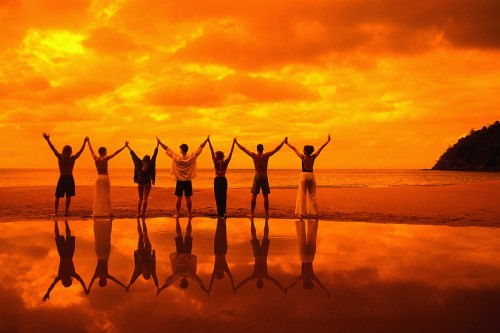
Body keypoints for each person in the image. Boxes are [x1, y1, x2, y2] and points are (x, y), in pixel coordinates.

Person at [157, 136, 209, 217]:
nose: (179, 150)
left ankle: (177, 213)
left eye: (180, 148)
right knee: (188, 198)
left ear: (182, 150)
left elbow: (167, 149)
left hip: (180, 181)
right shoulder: (191, 157)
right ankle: (189, 213)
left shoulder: (177, 157)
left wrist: (160, 143)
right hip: (188, 181)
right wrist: (206, 140)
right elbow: (199, 148)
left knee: (179, 198)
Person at [235, 137, 287, 217]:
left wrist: (236, 143)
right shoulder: (266, 156)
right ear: (263, 149)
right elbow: (276, 149)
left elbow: (244, 149)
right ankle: (266, 214)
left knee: (254, 195)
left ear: (257, 149)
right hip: (264, 176)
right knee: (265, 195)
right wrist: (283, 141)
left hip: (257, 176)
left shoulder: (254, 156)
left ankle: (252, 213)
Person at [157, 218, 208, 295]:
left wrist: (206, 291)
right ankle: (177, 220)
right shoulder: (178, 275)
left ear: (187, 281)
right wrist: (160, 289)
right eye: (180, 282)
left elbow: (199, 284)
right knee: (179, 235)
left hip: (187, 252)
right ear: (181, 282)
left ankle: (189, 220)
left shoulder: (191, 275)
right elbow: (168, 283)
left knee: (188, 235)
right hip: (180, 252)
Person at [235, 217, 286, 294]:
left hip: (264, 255)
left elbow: (275, 282)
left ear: (262, 282)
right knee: (254, 237)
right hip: (257, 255)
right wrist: (237, 287)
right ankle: (252, 221)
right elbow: (245, 281)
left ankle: (266, 221)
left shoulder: (265, 276)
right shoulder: (254, 276)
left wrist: (282, 289)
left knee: (265, 237)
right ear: (257, 282)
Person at [42, 133, 88, 216]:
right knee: (68, 196)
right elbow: (80, 151)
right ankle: (66, 212)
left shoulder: (60, 157)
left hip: (62, 177)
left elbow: (53, 148)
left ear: (63, 150)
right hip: (70, 177)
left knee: (57, 196)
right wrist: (84, 142)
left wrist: (48, 140)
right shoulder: (72, 158)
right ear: (70, 151)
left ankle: (56, 212)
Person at [286, 134, 331, 218]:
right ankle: (314, 213)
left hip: (304, 175)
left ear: (305, 151)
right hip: (311, 175)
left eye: (303, 149)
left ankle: (301, 213)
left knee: (302, 194)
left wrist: (287, 143)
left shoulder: (303, 157)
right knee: (312, 194)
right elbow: (321, 148)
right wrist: (328, 141)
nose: (302, 150)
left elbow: (294, 148)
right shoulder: (313, 157)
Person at [43, 220, 87, 301]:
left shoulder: (71, 274)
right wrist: (47, 293)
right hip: (63, 255)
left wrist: (85, 289)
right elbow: (52, 285)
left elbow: (81, 281)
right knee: (58, 236)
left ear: (70, 280)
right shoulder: (62, 276)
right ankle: (56, 222)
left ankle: (65, 222)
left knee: (68, 236)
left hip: (68, 255)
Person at [285, 219, 329, 298]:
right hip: (303, 257)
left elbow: (320, 284)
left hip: (311, 257)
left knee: (312, 238)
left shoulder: (312, 277)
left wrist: (326, 291)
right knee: (302, 238)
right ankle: (301, 221)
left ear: (310, 283)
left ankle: (314, 222)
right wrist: (287, 288)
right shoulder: (302, 277)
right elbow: (294, 284)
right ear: (305, 283)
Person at [87, 139, 128, 217]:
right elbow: (116, 152)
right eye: (105, 151)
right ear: (103, 152)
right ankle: (109, 212)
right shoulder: (105, 158)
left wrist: (88, 141)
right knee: (107, 195)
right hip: (105, 177)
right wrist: (125, 146)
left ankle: (96, 212)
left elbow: (91, 150)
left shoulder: (96, 158)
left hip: (98, 178)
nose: (106, 152)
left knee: (98, 195)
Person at [87, 218, 128, 293]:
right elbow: (91, 283)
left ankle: (108, 222)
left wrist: (124, 286)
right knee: (99, 238)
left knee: (106, 238)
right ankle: (96, 223)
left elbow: (116, 281)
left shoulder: (105, 275)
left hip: (105, 255)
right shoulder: (97, 275)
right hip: (99, 255)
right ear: (100, 281)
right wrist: (88, 289)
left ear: (105, 281)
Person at [125, 140, 159, 217]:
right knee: (145, 199)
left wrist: (127, 146)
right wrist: (157, 144)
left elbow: (133, 155)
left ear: (143, 159)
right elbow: (155, 154)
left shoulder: (139, 162)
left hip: (140, 183)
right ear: (149, 160)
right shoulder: (151, 164)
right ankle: (143, 214)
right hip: (147, 183)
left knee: (140, 199)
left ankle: (138, 213)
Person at [126, 218, 159, 292]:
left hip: (140, 250)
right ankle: (143, 220)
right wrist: (157, 288)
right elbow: (155, 278)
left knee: (140, 235)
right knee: (145, 234)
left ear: (143, 273)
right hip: (147, 250)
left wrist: (128, 286)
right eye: (148, 272)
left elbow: (133, 278)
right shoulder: (151, 269)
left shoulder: (138, 270)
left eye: (145, 272)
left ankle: (138, 221)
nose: (146, 269)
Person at [207, 137, 236, 217]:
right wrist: (233, 143)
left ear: (217, 156)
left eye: (216, 155)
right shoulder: (225, 162)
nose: (215, 156)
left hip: (217, 180)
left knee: (218, 196)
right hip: (223, 179)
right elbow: (231, 153)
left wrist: (209, 142)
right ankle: (223, 212)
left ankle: (220, 213)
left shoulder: (216, 162)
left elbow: (211, 152)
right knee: (223, 196)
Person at [208, 217, 236, 294]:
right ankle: (222, 221)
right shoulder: (225, 268)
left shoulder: (215, 268)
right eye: (220, 273)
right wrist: (233, 287)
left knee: (218, 234)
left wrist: (209, 290)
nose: (219, 271)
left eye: (218, 272)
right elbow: (230, 277)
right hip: (223, 250)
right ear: (222, 273)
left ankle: (220, 221)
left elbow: (212, 280)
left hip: (217, 250)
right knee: (223, 234)